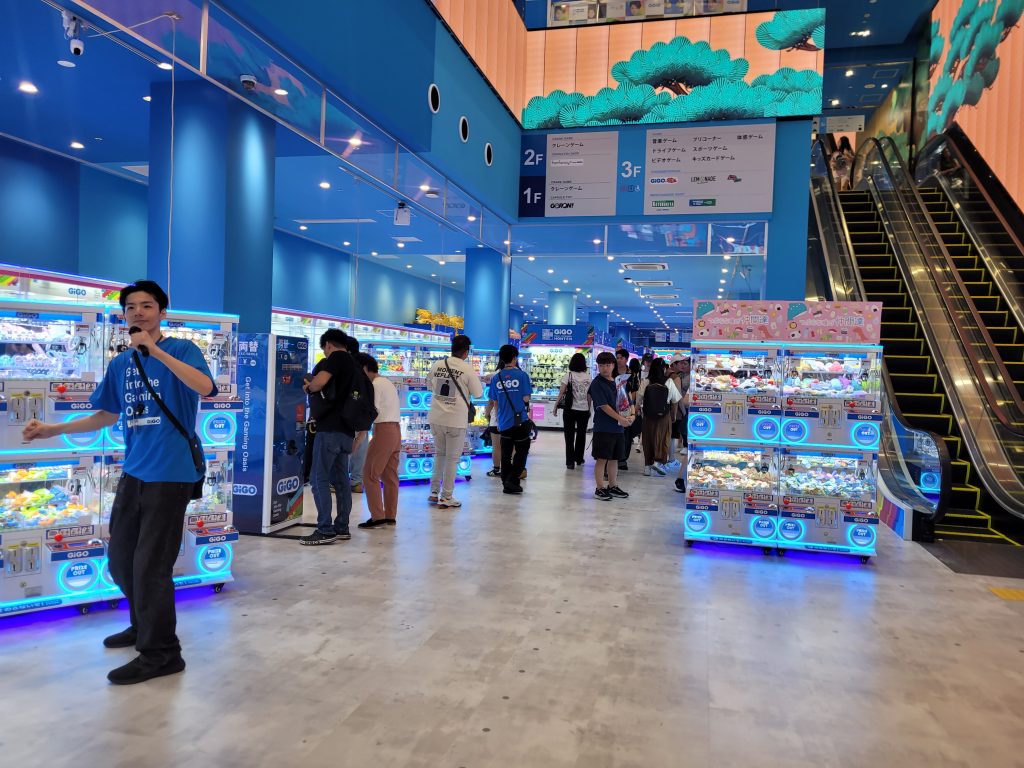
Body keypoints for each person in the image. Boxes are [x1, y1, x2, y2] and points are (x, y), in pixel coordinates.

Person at [23, 280, 215, 685]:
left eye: (147, 305)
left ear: (162, 312)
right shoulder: (121, 364)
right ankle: (143, 625)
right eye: (131, 307)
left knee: (151, 567)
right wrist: (53, 430)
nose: (138, 312)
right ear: (123, 315)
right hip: (135, 471)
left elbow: (206, 387)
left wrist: (155, 351)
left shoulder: (181, 350)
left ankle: (162, 653)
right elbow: (106, 416)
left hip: (172, 474)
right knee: (122, 560)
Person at [300, 328, 358, 545]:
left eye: (325, 349)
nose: (325, 353)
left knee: (318, 478)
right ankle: (342, 527)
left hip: (329, 429)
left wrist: (309, 387)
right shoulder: (354, 363)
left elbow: (319, 382)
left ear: (328, 345)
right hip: (347, 430)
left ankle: (324, 529)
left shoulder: (336, 358)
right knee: (341, 480)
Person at [427, 334, 483, 508]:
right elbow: (478, 393)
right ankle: (446, 496)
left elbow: (429, 386)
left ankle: (434, 492)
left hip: (436, 417)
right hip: (455, 419)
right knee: (452, 459)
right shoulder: (467, 369)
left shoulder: (437, 364)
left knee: (439, 454)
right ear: (466, 352)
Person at [355, 353, 401, 529]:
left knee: (369, 475)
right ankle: (390, 516)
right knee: (390, 476)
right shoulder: (387, 382)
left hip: (383, 431)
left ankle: (377, 517)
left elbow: (371, 411)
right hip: (395, 431)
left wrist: (360, 434)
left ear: (365, 368)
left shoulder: (374, 385)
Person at [489, 344, 533, 495]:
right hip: (520, 420)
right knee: (522, 450)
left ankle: (506, 482)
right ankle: (513, 479)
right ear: (514, 358)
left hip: (503, 421)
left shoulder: (496, 378)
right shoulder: (522, 376)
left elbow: (495, 402)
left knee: (506, 453)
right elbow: (526, 398)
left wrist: (498, 420)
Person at [589, 351, 632, 501]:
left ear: (613, 365)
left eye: (608, 365)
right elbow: (604, 406)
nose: (605, 368)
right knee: (602, 459)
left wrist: (631, 415)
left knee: (614, 458)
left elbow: (627, 401)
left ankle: (612, 486)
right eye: (601, 365)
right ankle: (599, 488)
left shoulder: (618, 381)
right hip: (604, 428)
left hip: (618, 428)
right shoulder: (596, 383)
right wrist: (620, 418)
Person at [638, 358, 681, 476]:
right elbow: (675, 400)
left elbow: (639, 399)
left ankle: (647, 467)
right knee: (663, 438)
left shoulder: (646, 381)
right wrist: (674, 415)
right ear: (663, 369)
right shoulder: (669, 381)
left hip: (648, 415)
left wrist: (636, 411)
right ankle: (658, 462)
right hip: (664, 416)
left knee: (647, 439)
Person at [552, 352, 591, 470]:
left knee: (569, 436)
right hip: (584, 410)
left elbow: (561, 393)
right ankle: (579, 458)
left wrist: (555, 406)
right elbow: (589, 395)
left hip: (569, 410)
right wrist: (589, 408)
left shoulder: (568, 375)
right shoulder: (588, 377)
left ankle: (570, 462)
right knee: (581, 435)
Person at [345, 336, 366, 494]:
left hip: (348, 412)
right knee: (361, 446)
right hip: (363, 413)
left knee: (346, 447)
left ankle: (339, 480)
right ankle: (357, 482)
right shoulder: (364, 363)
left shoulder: (345, 364)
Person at [483, 360, 505, 478]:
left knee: (496, 446)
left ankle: (496, 469)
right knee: (510, 445)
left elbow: (491, 401)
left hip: (496, 418)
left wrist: (487, 414)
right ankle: (510, 469)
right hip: (511, 418)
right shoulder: (518, 374)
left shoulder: (496, 377)